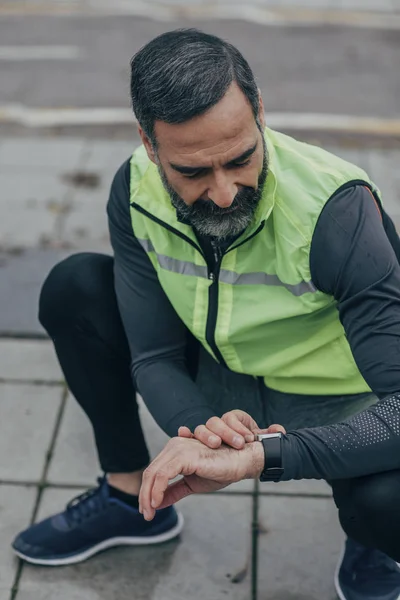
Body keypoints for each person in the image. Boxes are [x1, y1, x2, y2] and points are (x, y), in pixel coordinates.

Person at [11, 27, 400, 600]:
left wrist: (261, 458)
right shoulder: (135, 187)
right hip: (227, 376)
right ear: (150, 145)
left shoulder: (335, 210)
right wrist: (197, 429)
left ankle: (373, 542)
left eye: (241, 159)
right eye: (193, 171)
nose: (223, 192)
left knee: (385, 501)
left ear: (260, 112)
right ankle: (129, 498)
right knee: (75, 287)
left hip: (341, 397)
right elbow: (156, 354)